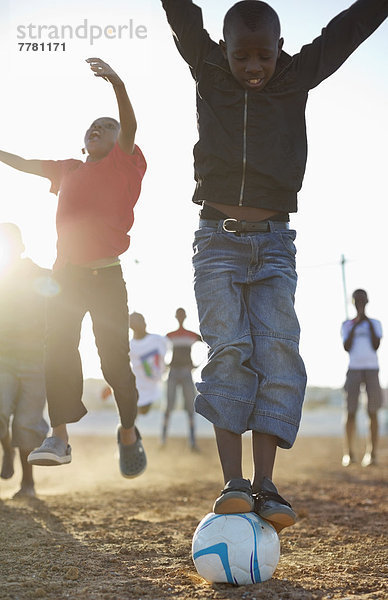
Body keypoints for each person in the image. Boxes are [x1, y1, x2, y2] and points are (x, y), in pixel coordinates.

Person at [160, 0, 387, 532]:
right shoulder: (206, 64)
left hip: (275, 247)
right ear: (224, 49)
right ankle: (233, 484)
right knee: (231, 352)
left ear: (281, 50)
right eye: (242, 56)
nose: (254, 66)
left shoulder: (295, 75)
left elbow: (345, 31)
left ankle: (266, 484)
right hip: (217, 242)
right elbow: (180, 13)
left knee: (278, 356)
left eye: (265, 55)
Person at [0, 58, 147, 479]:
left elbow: (129, 125)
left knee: (114, 364)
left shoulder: (125, 163)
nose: (97, 128)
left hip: (107, 278)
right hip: (66, 277)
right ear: (84, 142)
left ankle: (127, 431)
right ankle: (59, 438)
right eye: (91, 127)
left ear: (121, 141)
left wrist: (117, 83)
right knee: (58, 349)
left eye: (107, 125)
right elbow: (25, 163)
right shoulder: (68, 170)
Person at [0, 223, 50, 498]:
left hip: (35, 358)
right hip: (3, 357)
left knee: (25, 423)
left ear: (20, 247)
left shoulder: (41, 275)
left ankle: (27, 484)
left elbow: (61, 306)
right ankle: (6, 449)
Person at [341, 289, 383, 467]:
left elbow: (376, 344)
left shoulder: (375, 323)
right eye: (357, 301)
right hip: (354, 369)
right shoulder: (347, 324)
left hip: (372, 369)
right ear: (353, 303)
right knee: (351, 411)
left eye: (362, 301)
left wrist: (365, 321)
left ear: (367, 302)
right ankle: (349, 453)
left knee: (372, 411)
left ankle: (371, 453)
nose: (360, 304)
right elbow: (346, 346)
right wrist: (357, 323)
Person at [162, 308, 201, 450]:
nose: (180, 317)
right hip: (174, 372)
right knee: (169, 406)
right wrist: (164, 365)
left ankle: (192, 442)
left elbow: (208, 344)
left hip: (185, 371)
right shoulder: (170, 335)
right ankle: (163, 441)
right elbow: (159, 349)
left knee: (190, 408)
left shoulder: (191, 335)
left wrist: (197, 364)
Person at [129, 312, 167, 415]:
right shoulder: (130, 346)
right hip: (138, 386)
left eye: (140, 322)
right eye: (134, 323)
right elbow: (121, 368)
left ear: (145, 323)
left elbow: (169, 354)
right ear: (130, 326)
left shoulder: (158, 340)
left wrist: (165, 367)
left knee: (145, 412)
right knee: (135, 414)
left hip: (154, 386)